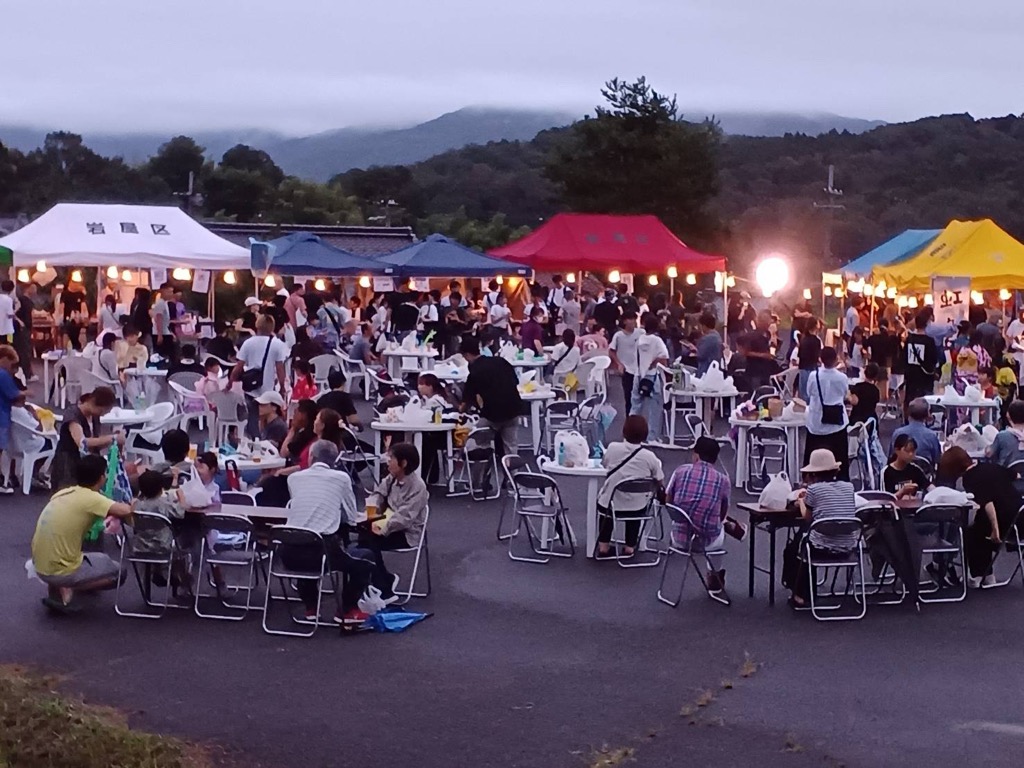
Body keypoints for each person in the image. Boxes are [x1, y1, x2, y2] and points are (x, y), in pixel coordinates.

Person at [283, 439, 373, 623]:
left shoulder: (294, 478)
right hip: (322, 550)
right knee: (364, 558)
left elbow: (301, 509)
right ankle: (347, 610)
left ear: (310, 457)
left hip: (288, 550)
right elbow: (350, 515)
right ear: (335, 460)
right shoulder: (341, 478)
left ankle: (310, 607)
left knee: (305, 539)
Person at [30, 453, 133, 613]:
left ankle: (58, 587)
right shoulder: (92, 498)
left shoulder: (64, 492)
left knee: (102, 559)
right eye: (105, 473)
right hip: (60, 570)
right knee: (119, 572)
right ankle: (66, 586)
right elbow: (125, 510)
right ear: (100, 477)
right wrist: (135, 502)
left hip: (39, 564)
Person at [784, 448, 859, 607]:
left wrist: (801, 501)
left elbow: (807, 517)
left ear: (813, 474)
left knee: (797, 546)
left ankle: (800, 593)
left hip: (821, 547)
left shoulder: (814, 489)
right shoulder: (848, 487)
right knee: (802, 541)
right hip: (847, 546)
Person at [939, 446, 1023, 587]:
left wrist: (995, 529)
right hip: (1020, 517)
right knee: (981, 524)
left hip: (1005, 521)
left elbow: (987, 502)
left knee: (972, 532)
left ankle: (978, 576)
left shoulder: (970, 478)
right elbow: (1016, 476)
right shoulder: (991, 467)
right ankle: (987, 574)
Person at [359, 443, 429, 601]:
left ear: (403, 463)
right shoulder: (391, 479)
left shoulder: (418, 487)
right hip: (385, 522)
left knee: (369, 542)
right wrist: (372, 510)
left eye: (391, 458)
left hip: (406, 533)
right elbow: (378, 494)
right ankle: (382, 581)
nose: (387, 462)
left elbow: (405, 518)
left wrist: (382, 527)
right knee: (363, 539)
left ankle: (383, 589)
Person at [664, 436, 733, 593]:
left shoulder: (680, 471)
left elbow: (668, 501)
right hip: (708, 539)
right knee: (719, 529)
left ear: (696, 454)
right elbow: (723, 512)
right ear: (715, 458)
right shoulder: (723, 481)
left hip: (680, 537)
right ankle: (714, 573)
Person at [595, 415, 664, 557]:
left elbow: (604, 464)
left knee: (607, 507)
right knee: (636, 507)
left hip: (611, 504)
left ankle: (603, 545)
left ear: (624, 431)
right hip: (636, 507)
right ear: (645, 435)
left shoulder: (613, 448)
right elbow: (659, 479)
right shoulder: (649, 457)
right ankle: (630, 546)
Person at [50, 387, 122, 491]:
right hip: (69, 465)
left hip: (88, 467)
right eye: (103, 411)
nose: (104, 414)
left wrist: (112, 441)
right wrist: (112, 437)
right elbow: (82, 442)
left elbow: (95, 443)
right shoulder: (72, 415)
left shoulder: (94, 416)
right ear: (96, 405)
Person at [460, 337, 522, 457]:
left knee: (479, 441)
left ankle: (482, 469)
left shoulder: (474, 373)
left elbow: (466, 402)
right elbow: (515, 381)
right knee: (511, 445)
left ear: (467, 355)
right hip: (514, 408)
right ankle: (511, 472)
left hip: (492, 414)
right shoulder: (501, 361)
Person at [231, 314, 288, 438]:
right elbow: (280, 368)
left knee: (252, 416)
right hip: (268, 387)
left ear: (257, 325)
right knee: (267, 417)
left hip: (250, 386)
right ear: (272, 327)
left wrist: (230, 381)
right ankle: (264, 440)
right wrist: (282, 386)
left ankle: (253, 440)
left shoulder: (248, 343)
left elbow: (239, 366)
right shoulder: (277, 344)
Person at [804, 346, 850, 480]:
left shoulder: (814, 376)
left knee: (812, 456)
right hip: (837, 423)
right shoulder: (842, 377)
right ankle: (841, 480)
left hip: (816, 423)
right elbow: (844, 394)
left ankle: (810, 480)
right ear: (836, 359)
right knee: (840, 456)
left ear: (820, 359)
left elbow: (809, 393)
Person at [630, 314, 669, 442]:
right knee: (655, 409)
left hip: (638, 376)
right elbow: (664, 359)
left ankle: (630, 434)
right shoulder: (657, 341)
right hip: (652, 377)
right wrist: (654, 362)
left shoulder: (639, 340)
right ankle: (652, 437)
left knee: (635, 406)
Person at [0, 345, 25, 492]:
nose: (12, 368)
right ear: (4, 359)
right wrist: (26, 393)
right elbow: (13, 394)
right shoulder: (3, 375)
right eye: (12, 363)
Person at [890, 397, 942, 469]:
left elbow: (891, 457)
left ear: (908, 414)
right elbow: (937, 459)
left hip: (900, 476)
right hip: (923, 477)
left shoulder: (897, 433)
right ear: (927, 415)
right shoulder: (932, 436)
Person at [903, 311, 939, 412]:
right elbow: (933, 359)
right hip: (925, 376)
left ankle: (908, 417)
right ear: (927, 324)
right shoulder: (929, 341)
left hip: (910, 373)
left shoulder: (909, 339)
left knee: (910, 397)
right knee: (924, 400)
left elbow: (904, 357)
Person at [609, 312, 642, 407]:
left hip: (639, 369)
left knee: (639, 396)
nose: (632, 322)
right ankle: (629, 418)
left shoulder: (640, 333)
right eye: (630, 319)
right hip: (626, 369)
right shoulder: (618, 336)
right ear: (624, 321)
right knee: (628, 396)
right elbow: (611, 351)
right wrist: (619, 364)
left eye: (634, 319)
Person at [986, 399, 1024, 475]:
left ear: (1008, 415)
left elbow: (989, 453)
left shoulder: (1002, 436)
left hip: (1006, 481)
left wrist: (987, 448)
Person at [848, 362, 881, 426]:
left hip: (857, 418)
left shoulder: (858, 387)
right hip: (870, 419)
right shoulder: (876, 390)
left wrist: (848, 393)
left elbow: (854, 402)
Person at [796, 318, 822, 401]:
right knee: (811, 393)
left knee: (803, 393)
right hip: (812, 369)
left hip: (803, 368)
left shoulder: (803, 339)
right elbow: (817, 356)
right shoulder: (816, 341)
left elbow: (800, 354)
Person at [61, 282, 87, 351]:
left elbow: (84, 307)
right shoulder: (65, 294)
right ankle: (66, 351)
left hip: (78, 321)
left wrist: (83, 317)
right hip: (67, 320)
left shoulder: (80, 294)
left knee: (78, 335)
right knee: (66, 333)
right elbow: (61, 307)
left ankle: (78, 348)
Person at [150, 284, 175, 358]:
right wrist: (159, 335)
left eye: (172, 292)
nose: (171, 294)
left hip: (165, 332)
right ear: (162, 291)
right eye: (169, 292)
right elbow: (158, 318)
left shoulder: (164, 303)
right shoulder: (160, 303)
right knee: (163, 355)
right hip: (162, 333)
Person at [695, 312, 723, 377]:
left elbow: (700, 355)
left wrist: (695, 348)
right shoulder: (717, 336)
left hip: (706, 369)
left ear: (704, 326)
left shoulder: (708, 338)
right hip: (715, 369)